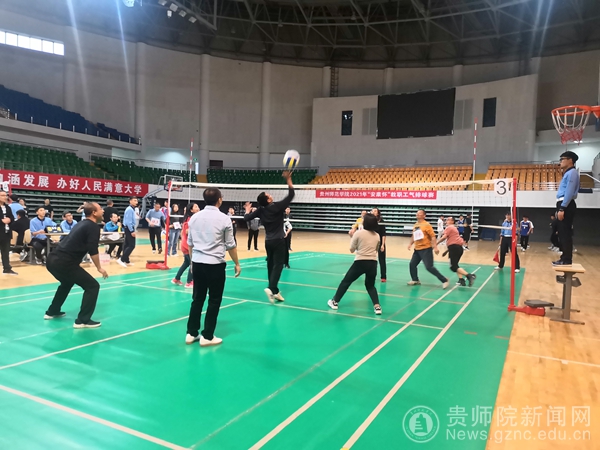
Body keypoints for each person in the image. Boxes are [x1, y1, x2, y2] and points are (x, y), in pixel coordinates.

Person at [186, 189, 240, 347]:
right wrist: (237, 263)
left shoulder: (194, 217)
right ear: (219, 200)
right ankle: (207, 336)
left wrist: (192, 263)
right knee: (214, 300)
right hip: (215, 265)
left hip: (197, 263)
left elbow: (190, 243)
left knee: (197, 299)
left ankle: (191, 333)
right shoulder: (224, 219)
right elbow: (231, 245)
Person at [44, 202, 108, 328]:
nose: (103, 211)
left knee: (67, 283)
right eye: (100, 209)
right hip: (65, 263)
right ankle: (83, 320)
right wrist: (99, 268)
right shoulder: (93, 227)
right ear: (94, 213)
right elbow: (93, 250)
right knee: (92, 286)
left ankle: (52, 311)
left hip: (52, 260)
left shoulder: (81, 223)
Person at [243, 171, 295, 303]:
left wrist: (247, 210)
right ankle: (271, 288)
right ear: (268, 200)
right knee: (278, 265)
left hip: (268, 241)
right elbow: (291, 195)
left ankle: (275, 291)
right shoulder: (277, 207)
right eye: (269, 195)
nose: (271, 195)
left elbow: (247, 218)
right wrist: (288, 180)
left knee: (270, 265)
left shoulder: (260, 210)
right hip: (279, 241)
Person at [327, 213, 382, 315]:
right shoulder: (377, 236)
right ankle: (377, 307)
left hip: (360, 262)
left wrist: (352, 237)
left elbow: (352, 249)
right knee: (370, 286)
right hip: (373, 263)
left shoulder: (358, 233)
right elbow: (376, 249)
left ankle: (334, 302)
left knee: (346, 282)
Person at [407, 209, 449, 288]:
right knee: (412, 264)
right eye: (417, 213)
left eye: (420, 213)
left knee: (429, 267)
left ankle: (444, 280)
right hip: (417, 249)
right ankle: (415, 279)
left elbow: (433, 236)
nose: (417, 214)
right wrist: (410, 244)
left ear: (424, 216)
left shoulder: (427, 225)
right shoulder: (416, 224)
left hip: (426, 249)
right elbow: (414, 235)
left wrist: (435, 247)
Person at [553, 150, 580, 266]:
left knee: (565, 233)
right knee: (562, 232)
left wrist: (562, 208)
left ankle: (567, 259)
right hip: (563, 203)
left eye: (562, 159)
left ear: (570, 160)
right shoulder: (568, 173)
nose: (560, 162)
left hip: (566, 204)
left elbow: (569, 191)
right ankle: (564, 257)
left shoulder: (572, 173)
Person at [437, 217, 476, 287]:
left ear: (452, 221)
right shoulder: (454, 228)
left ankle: (469, 276)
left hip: (454, 248)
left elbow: (444, 237)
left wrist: (436, 243)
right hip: (458, 248)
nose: (446, 221)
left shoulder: (449, 227)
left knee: (453, 267)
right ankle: (461, 280)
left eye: (448, 220)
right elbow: (454, 241)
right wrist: (446, 251)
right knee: (456, 265)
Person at [172, 203, 199, 288]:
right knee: (192, 263)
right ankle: (189, 282)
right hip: (188, 246)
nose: (198, 208)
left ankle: (176, 279)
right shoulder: (190, 219)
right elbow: (187, 231)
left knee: (186, 263)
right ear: (191, 210)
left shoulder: (189, 218)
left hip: (185, 244)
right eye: (196, 207)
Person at [0, 190, 16, 275]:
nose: (5, 197)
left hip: (6, 233)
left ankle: (7, 268)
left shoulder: (8, 207)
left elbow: (12, 217)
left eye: (5, 195)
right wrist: (2, 221)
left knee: (6, 252)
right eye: (2, 195)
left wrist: (9, 219)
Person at [119, 196, 138, 268]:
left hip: (128, 228)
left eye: (136, 200)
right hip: (129, 228)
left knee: (127, 245)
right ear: (130, 201)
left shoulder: (131, 209)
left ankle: (126, 260)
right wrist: (132, 231)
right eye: (134, 200)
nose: (136, 202)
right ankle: (121, 259)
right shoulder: (130, 209)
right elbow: (128, 222)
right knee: (131, 245)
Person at [372, 208, 387, 282]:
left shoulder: (381, 221)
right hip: (372, 243)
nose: (373, 212)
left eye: (375, 211)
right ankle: (371, 275)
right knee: (371, 260)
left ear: (378, 213)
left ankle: (383, 277)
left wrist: (382, 245)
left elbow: (383, 234)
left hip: (380, 242)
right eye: (372, 211)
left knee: (382, 260)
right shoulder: (370, 221)